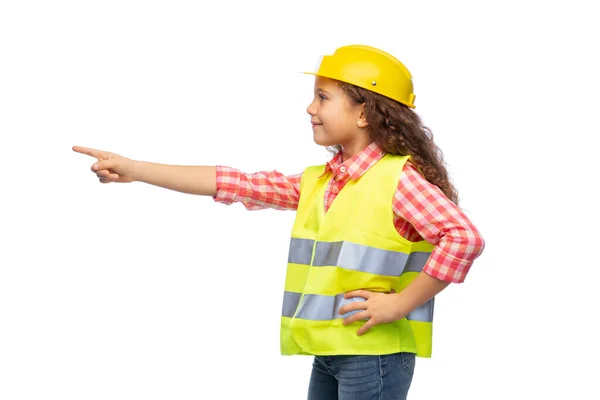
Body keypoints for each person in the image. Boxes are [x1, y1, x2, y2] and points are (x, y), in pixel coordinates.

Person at [73, 44, 485, 400]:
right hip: (330, 349)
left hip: (373, 354)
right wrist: (137, 169)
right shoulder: (322, 182)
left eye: (323, 97)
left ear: (364, 112)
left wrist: (400, 303)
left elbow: (464, 238)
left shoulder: (398, 180)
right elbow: (240, 184)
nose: (310, 108)